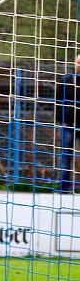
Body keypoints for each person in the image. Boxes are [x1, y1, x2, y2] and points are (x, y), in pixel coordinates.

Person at [55, 54, 80, 192]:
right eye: (79, 62)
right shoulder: (66, 80)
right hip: (68, 124)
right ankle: (63, 186)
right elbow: (58, 102)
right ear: (75, 63)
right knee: (65, 155)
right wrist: (61, 121)